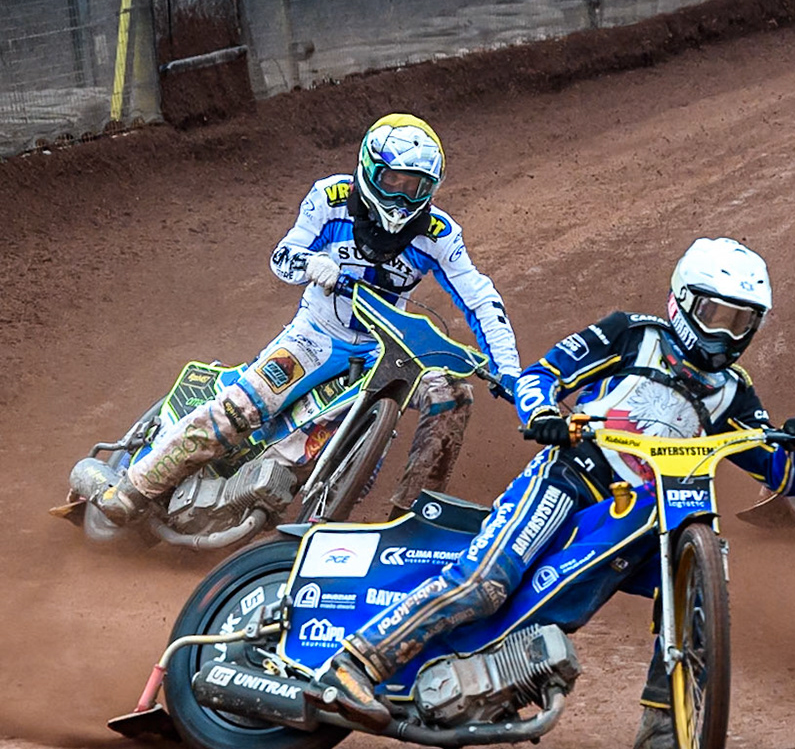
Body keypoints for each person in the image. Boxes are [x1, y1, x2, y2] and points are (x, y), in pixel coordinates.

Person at [307, 237, 795, 749]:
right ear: (684, 303)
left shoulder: (734, 391)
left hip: (644, 515)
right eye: (716, 315)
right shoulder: (632, 333)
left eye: (741, 323)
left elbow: (778, 469)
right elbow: (542, 375)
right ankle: (355, 665)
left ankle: (665, 726)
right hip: (570, 479)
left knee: (692, 586)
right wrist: (542, 412)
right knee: (488, 581)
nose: (725, 334)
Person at [79, 114, 521, 526]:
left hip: (386, 348)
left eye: (417, 186)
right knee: (240, 409)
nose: (404, 196)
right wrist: (312, 264)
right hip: (316, 335)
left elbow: (480, 298)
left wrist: (510, 370)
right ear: (370, 169)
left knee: (454, 395)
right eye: (394, 180)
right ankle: (132, 491)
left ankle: (413, 520)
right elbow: (282, 256)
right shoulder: (330, 199)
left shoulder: (438, 234)